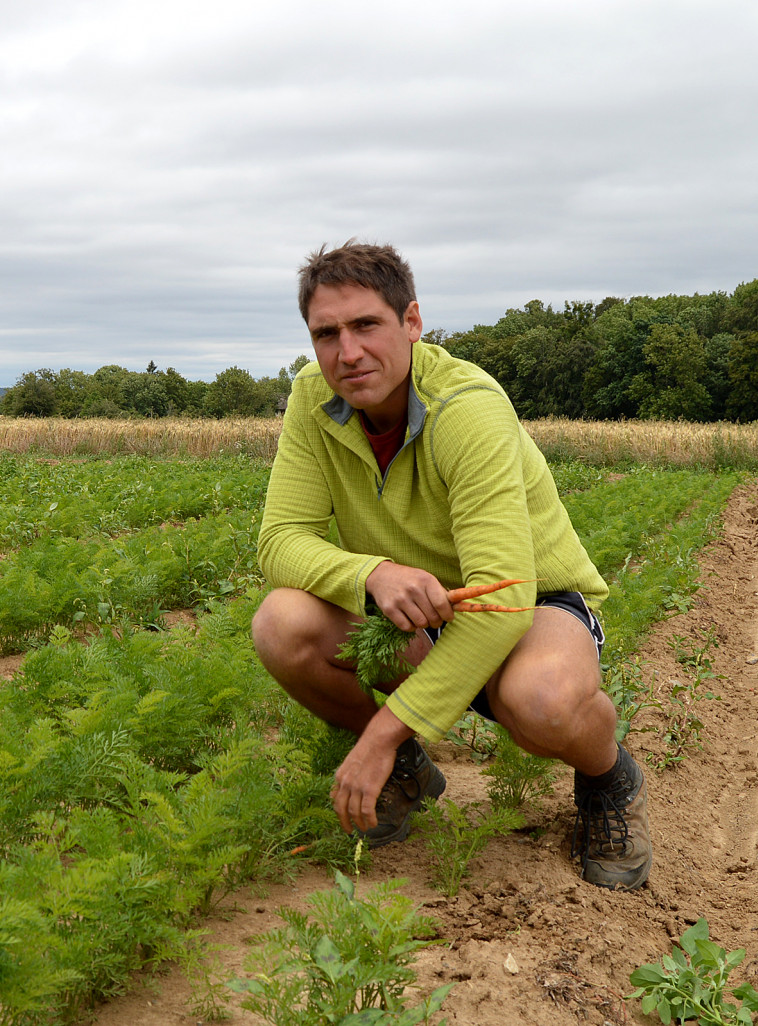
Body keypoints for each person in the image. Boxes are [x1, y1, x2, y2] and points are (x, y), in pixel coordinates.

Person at [252, 241, 652, 891]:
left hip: (530, 604)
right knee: (282, 624)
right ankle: (409, 769)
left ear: (411, 322)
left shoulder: (466, 408)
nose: (347, 352)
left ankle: (610, 779)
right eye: (326, 333)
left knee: (541, 704)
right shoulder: (312, 401)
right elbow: (281, 540)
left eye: (366, 325)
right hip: (416, 607)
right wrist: (372, 574)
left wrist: (378, 733)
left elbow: (502, 601)